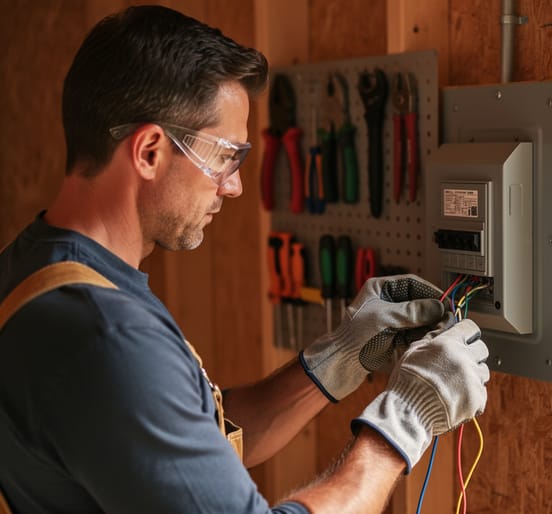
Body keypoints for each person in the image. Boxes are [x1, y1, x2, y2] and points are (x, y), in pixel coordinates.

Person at [0, 5, 489, 514]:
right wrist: (403, 420)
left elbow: (185, 442)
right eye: (224, 156)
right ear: (149, 151)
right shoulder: (106, 335)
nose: (233, 186)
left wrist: (337, 359)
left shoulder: (34, 268)